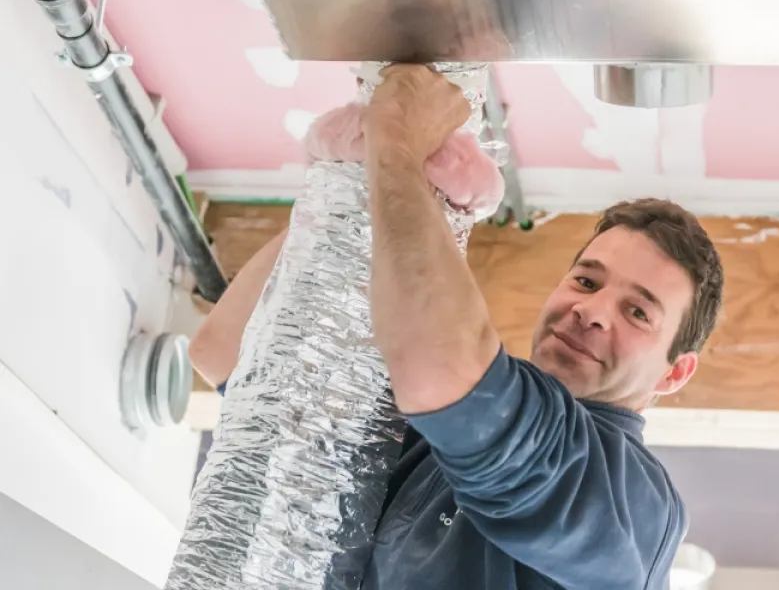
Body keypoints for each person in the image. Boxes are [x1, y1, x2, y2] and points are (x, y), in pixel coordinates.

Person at [189, 65, 725, 589]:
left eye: (638, 312)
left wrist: (395, 148)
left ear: (674, 373)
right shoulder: (438, 434)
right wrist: (346, 185)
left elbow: (439, 369)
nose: (593, 311)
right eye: (587, 282)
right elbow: (228, 352)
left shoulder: (631, 504)